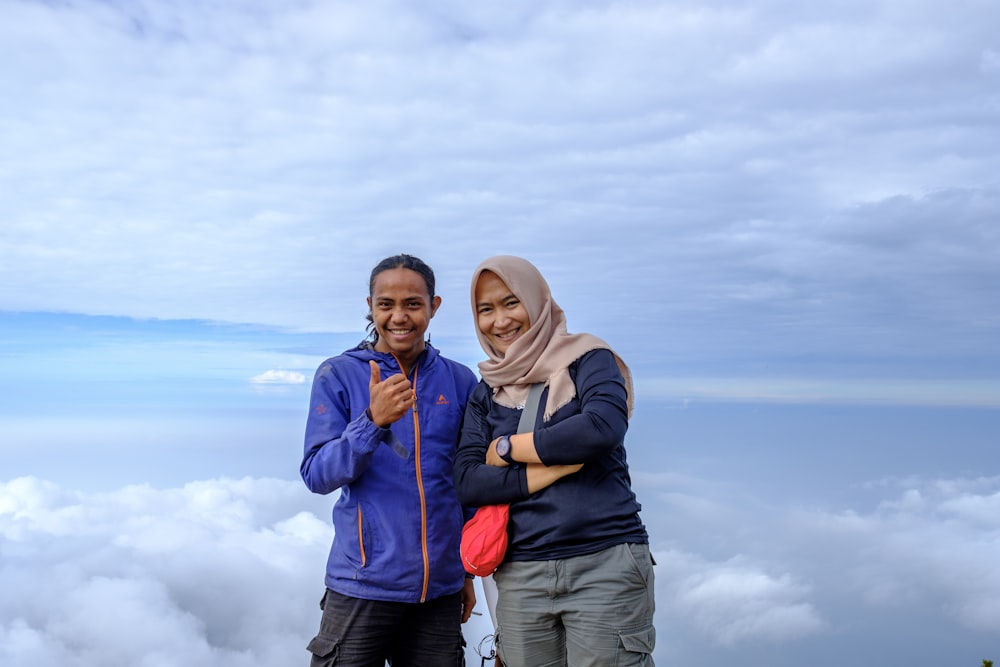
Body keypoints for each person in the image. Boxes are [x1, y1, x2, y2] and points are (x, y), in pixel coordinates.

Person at [454, 255, 656, 667]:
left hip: (604, 563)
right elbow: (469, 480)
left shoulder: (588, 359)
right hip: (521, 573)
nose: (499, 321)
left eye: (511, 303)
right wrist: (549, 469)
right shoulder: (486, 390)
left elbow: (601, 427)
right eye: (485, 310)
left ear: (537, 300)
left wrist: (510, 448)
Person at [301, 254, 479, 667]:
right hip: (362, 585)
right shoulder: (339, 374)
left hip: (440, 592)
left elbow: (466, 481)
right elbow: (317, 474)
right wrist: (371, 422)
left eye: (413, 304)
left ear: (434, 306)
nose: (399, 316)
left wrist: (466, 571)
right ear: (370, 306)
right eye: (386, 304)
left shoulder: (459, 380)